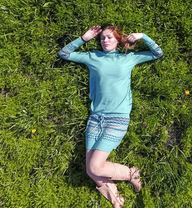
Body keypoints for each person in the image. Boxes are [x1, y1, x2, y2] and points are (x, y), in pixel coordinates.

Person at [58, 25, 163, 207]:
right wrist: (84, 38)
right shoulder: (93, 57)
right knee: (91, 171)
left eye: (109, 37)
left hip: (118, 117)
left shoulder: (128, 59)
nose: (105, 41)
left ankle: (131, 173)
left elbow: (157, 53)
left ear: (118, 40)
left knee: (95, 167)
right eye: (102, 38)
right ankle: (116, 200)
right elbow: (64, 53)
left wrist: (142, 36)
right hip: (96, 117)